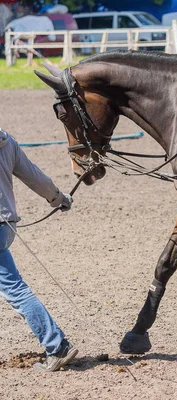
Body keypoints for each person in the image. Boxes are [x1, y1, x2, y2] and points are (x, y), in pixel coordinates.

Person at [0, 128, 78, 372]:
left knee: (16, 290)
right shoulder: (6, 140)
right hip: (8, 225)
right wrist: (58, 198)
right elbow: (33, 176)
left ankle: (57, 346)